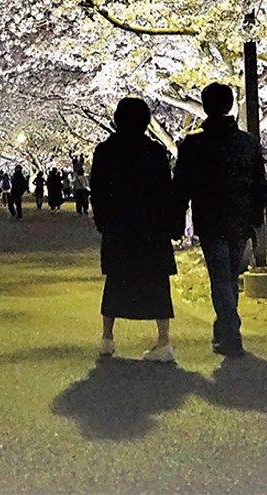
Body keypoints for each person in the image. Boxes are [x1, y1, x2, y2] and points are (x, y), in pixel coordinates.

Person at [172, 82, 266, 358]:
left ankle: (230, 331)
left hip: (211, 218)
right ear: (229, 106)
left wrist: (176, 220)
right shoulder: (248, 143)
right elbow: (259, 185)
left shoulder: (194, 144)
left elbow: (181, 187)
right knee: (230, 276)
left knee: (221, 278)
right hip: (241, 220)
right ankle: (225, 327)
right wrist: (257, 219)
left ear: (205, 106)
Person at [91, 98, 180, 362]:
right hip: (151, 227)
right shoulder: (154, 151)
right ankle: (163, 341)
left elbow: (98, 190)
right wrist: (170, 223)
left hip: (119, 226)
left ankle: (108, 338)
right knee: (156, 282)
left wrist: (103, 221)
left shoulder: (106, 150)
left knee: (116, 279)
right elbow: (167, 190)